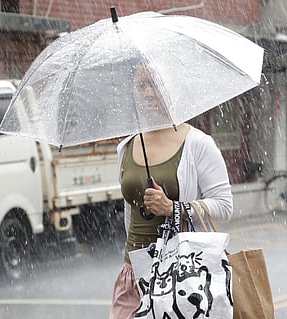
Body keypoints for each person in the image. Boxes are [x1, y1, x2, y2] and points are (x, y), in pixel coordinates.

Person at [108, 64, 233, 319]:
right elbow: (130, 214)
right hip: (134, 273)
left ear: (172, 88)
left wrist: (173, 208)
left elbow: (224, 206)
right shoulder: (127, 147)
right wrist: (134, 260)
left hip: (181, 274)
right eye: (141, 85)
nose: (148, 93)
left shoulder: (198, 144)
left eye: (155, 84)